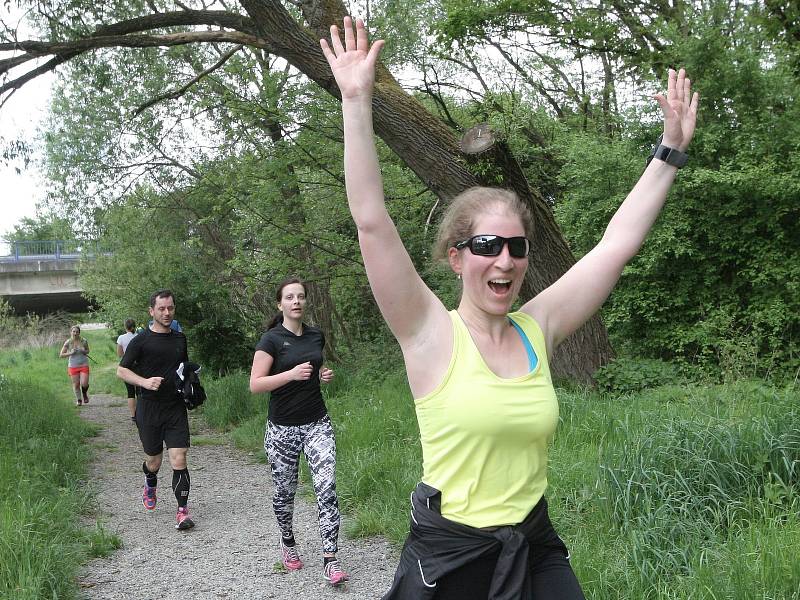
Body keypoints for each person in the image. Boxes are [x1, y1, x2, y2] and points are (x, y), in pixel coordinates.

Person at [321, 17, 699, 599]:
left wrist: (668, 152)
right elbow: (372, 222)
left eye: (516, 246)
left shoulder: (537, 327)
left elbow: (615, 246)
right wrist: (355, 101)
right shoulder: (427, 333)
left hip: (533, 543)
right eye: (485, 245)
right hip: (452, 554)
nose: (504, 260)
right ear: (456, 257)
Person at [249, 277, 347, 587]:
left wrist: (322, 374)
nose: (296, 301)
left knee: (327, 488)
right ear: (280, 304)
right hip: (282, 429)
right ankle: (288, 541)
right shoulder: (271, 340)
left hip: (317, 423)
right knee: (284, 493)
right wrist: (290, 374)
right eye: (290, 297)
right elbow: (255, 385)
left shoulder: (316, 335)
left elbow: (314, 367)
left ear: (306, 302)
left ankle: (330, 559)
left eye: (301, 296)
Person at [116, 289, 195, 531]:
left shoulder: (180, 338)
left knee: (179, 458)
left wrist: (191, 385)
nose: (166, 312)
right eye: (161, 308)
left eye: (170, 308)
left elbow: (183, 368)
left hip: (174, 407)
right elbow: (121, 370)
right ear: (151, 311)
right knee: (154, 461)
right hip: (149, 408)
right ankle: (150, 481)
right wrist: (144, 382)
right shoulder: (141, 340)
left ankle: (182, 512)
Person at [60, 324, 91, 406]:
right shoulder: (68, 342)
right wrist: (71, 353)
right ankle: (79, 400)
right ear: (71, 332)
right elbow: (61, 355)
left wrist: (83, 350)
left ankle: (84, 394)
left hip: (84, 364)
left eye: (77, 332)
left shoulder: (84, 341)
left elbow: (88, 351)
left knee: (84, 383)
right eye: (73, 331)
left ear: (79, 333)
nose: (75, 333)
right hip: (73, 366)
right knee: (76, 384)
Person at [116, 318, 139, 421]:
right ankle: (141, 413)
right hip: (138, 365)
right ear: (134, 325)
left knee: (130, 392)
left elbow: (120, 354)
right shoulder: (139, 336)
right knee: (139, 390)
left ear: (125, 326)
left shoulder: (121, 338)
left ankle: (133, 415)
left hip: (126, 366)